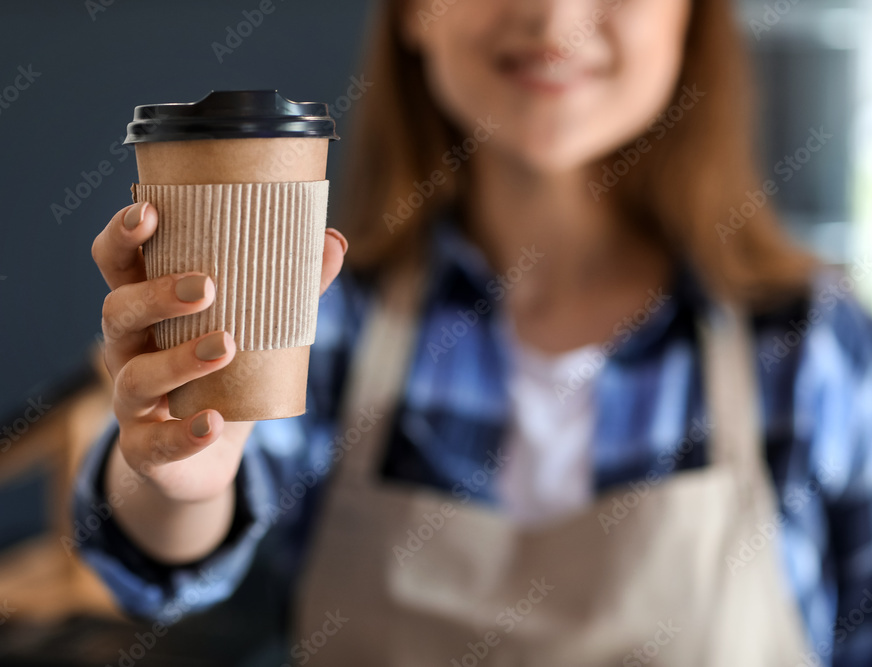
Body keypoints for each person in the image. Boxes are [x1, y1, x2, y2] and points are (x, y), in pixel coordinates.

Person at [75, 0, 872, 664]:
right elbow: (160, 564)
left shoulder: (813, 345)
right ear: (416, 14)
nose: (553, 15)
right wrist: (176, 470)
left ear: (691, 20)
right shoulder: (326, 318)